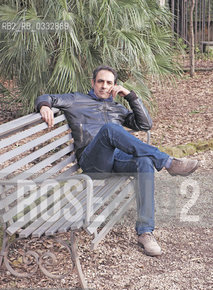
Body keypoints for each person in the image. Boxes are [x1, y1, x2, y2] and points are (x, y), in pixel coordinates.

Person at [35, 65, 199, 257]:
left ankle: (145, 232)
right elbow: (48, 97)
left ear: (114, 85)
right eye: (100, 82)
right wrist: (44, 105)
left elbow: (145, 124)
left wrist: (130, 96)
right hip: (92, 162)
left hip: (116, 159)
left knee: (144, 163)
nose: (104, 86)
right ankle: (168, 162)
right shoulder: (76, 100)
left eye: (109, 83)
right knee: (109, 130)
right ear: (93, 83)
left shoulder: (117, 108)